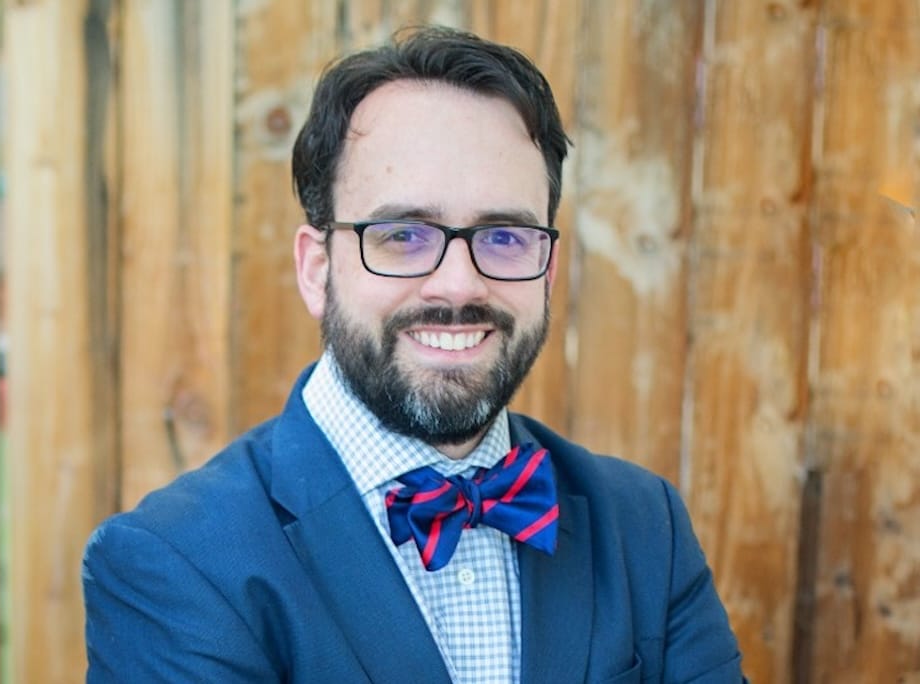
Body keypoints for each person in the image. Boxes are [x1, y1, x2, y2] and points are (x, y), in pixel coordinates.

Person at [82, 26, 746, 683]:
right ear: (317, 269)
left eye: (504, 237)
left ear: (547, 272)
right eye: (402, 235)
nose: (458, 285)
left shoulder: (645, 529)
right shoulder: (175, 564)